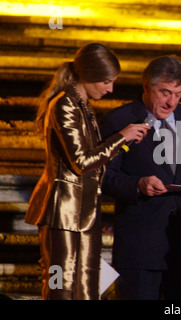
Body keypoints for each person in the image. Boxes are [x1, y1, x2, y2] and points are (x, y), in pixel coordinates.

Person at [25, 43, 149, 300]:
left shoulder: (82, 104)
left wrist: (122, 144)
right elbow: (81, 160)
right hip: (63, 211)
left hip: (85, 211)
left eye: (112, 81)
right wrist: (120, 138)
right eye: (106, 81)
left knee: (88, 285)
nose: (110, 88)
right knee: (62, 284)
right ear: (88, 75)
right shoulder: (64, 105)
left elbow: (94, 161)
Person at [100, 55, 181, 300]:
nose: (171, 102)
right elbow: (104, 176)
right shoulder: (119, 120)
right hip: (140, 246)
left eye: (178, 94)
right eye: (165, 92)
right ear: (146, 86)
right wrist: (137, 185)